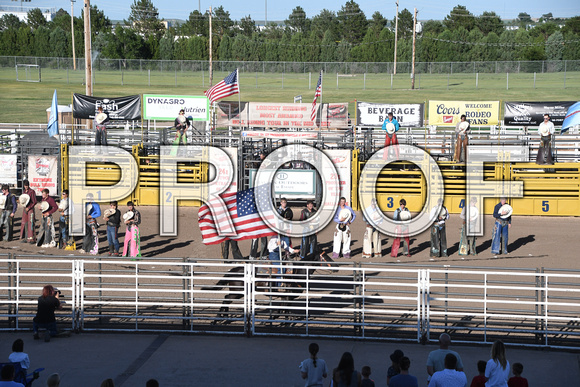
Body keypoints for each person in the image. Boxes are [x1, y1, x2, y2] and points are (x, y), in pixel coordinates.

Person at [19, 180, 37, 244]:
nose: (26, 187)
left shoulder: (32, 192)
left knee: (31, 222)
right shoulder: (24, 192)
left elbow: (34, 201)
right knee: (25, 223)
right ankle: (27, 237)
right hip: (25, 208)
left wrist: (29, 208)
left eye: (26, 185)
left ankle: (32, 238)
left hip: (30, 208)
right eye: (25, 186)